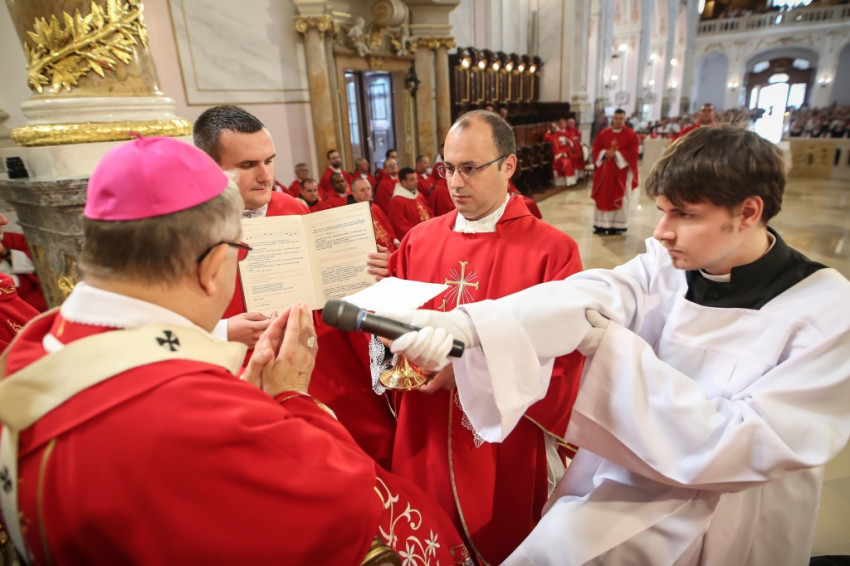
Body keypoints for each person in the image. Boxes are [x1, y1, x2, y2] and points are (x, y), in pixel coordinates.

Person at [385, 125, 850, 565]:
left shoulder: (825, 311)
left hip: (739, 511)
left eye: (684, 214)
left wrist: (606, 350)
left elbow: (743, 447)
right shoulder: (668, 264)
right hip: (638, 472)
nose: (661, 231)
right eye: (662, 210)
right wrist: (466, 326)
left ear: (748, 212)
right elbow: (590, 294)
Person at [0, 136, 470, 565]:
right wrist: (290, 400)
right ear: (210, 268)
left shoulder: (32, 351)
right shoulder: (200, 418)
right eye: (238, 252)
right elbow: (343, 507)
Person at [383, 110, 585, 565]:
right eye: (448, 168)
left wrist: (466, 374)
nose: (455, 183)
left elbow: (566, 357)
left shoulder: (552, 251)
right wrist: (398, 358)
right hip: (423, 424)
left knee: (501, 536)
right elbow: (389, 325)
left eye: (470, 168)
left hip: (502, 437)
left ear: (508, 165)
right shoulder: (417, 240)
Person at [193, 105, 308, 349]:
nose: (266, 177)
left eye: (269, 161)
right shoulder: (186, 227)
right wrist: (222, 331)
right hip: (230, 357)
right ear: (209, 167)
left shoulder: (292, 207)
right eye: (247, 165)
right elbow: (155, 321)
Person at [590, 108, 639, 235]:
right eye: (616, 118)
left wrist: (616, 154)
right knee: (603, 196)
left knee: (620, 196)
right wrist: (604, 153)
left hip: (620, 172)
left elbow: (634, 152)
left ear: (624, 119)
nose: (618, 121)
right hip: (604, 172)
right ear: (612, 118)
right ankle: (600, 224)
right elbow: (596, 148)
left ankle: (617, 226)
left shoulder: (631, 135)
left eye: (621, 118)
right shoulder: (603, 133)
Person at [349, 177, 398, 252]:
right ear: (354, 193)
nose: (367, 192)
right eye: (362, 190)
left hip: (390, 248)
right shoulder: (352, 214)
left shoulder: (375, 208)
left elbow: (387, 227)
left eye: (368, 189)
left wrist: (395, 241)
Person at [387, 166, 433, 239]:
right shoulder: (396, 201)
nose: (416, 181)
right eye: (412, 180)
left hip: (428, 232)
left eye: (416, 178)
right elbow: (400, 226)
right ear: (403, 182)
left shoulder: (419, 195)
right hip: (416, 237)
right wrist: (421, 234)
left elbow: (428, 212)